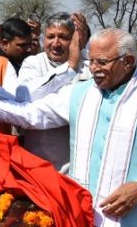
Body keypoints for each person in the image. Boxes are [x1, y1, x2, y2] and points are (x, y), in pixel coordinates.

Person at [0, 28, 137, 226]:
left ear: (128, 61)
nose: (94, 68)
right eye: (91, 61)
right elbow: (32, 114)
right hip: (82, 217)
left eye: (102, 62)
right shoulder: (80, 92)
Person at [13, 12, 91, 171]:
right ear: (43, 38)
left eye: (63, 37)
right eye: (51, 36)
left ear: (75, 39)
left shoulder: (89, 67)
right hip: (37, 165)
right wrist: (69, 67)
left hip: (77, 168)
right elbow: (25, 96)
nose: (56, 43)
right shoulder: (33, 63)